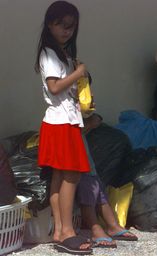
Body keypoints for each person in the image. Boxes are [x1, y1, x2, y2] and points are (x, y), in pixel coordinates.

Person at [35, 1, 92, 254]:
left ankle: (60, 230)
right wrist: (79, 73)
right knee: (71, 175)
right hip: (60, 122)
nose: (67, 31)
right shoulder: (49, 52)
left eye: (71, 26)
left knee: (60, 176)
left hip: (63, 119)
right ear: (50, 24)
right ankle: (67, 230)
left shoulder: (61, 52)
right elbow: (55, 87)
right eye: (61, 25)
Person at [76, 113, 138, 248]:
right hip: (70, 136)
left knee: (95, 181)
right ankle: (95, 228)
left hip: (79, 136)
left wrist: (90, 118)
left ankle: (112, 225)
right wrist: (89, 123)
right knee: (87, 183)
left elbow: (92, 115)